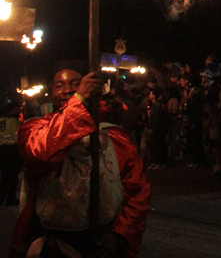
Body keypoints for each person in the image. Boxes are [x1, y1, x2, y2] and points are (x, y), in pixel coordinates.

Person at [10, 61, 150, 258]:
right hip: (52, 241)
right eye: (59, 85)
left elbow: (137, 191)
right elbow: (42, 153)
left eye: (76, 84)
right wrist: (79, 99)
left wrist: (119, 236)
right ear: (51, 92)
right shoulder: (34, 129)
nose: (67, 90)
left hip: (102, 240)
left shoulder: (114, 137)